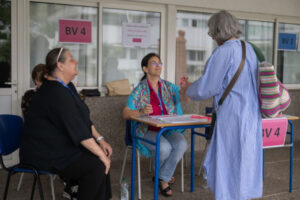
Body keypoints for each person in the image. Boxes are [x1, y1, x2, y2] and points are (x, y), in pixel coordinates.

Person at [180, 10, 262, 200]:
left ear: (217, 32)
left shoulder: (223, 52)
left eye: (212, 33)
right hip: (252, 115)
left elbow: (207, 87)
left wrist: (188, 89)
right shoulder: (249, 49)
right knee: (247, 161)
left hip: (232, 116)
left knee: (227, 163)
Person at [20, 47, 112, 200]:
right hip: (43, 152)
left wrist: (100, 139)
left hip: (60, 145)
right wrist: (100, 153)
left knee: (100, 160)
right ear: (60, 66)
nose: (76, 61)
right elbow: (77, 129)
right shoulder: (54, 92)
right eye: (71, 59)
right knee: (97, 164)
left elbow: (83, 118)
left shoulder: (67, 86)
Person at [122, 53, 188, 197]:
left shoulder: (169, 87)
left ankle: (162, 176)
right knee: (164, 147)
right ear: (145, 68)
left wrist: (186, 88)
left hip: (167, 130)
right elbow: (126, 113)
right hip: (145, 130)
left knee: (182, 144)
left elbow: (184, 97)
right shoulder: (139, 90)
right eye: (154, 63)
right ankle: (164, 181)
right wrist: (140, 111)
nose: (158, 65)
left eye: (160, 63)